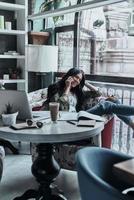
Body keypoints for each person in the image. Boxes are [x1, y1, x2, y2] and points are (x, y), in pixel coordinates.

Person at [44, 67, 134, 129]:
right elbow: (60, 106)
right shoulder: (54, 88)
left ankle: (132, 125)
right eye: (76, 77)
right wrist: (68, 87)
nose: (77, 81)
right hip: (66, 119)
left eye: (79, 80)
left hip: (78, 116)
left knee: (115, 100)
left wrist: (85, 82)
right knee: (105, 105)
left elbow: (98, 93)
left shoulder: (77, 92)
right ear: (69, 76)